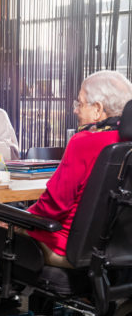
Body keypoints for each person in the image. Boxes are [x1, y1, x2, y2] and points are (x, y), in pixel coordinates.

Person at [25, 70, 132, 267]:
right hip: (119, 251)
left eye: (80, 104)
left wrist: (22, 218)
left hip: (69, 247)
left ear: (98, 109)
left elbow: (54, 205)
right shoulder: (127, 146)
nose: (75, 110)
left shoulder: (84, 142)